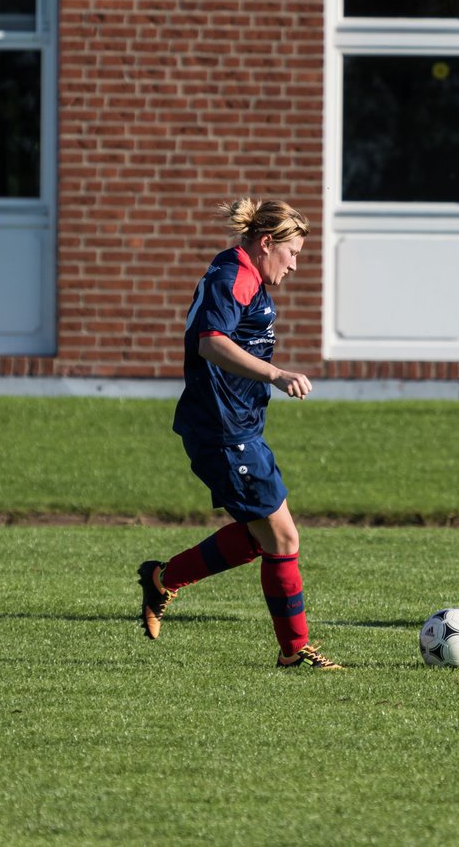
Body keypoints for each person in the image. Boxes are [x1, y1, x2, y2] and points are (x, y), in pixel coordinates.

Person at [138, 198, 341, 669]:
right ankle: (294, 651)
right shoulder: (236, 276)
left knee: (262, 539)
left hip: (239, 428)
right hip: (224, 433)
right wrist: (275, 374)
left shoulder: (243, 273)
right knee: (283, 540)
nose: (295, 265)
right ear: (267, 243)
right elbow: (212, 342)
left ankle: (161, 579)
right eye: (292, 253)